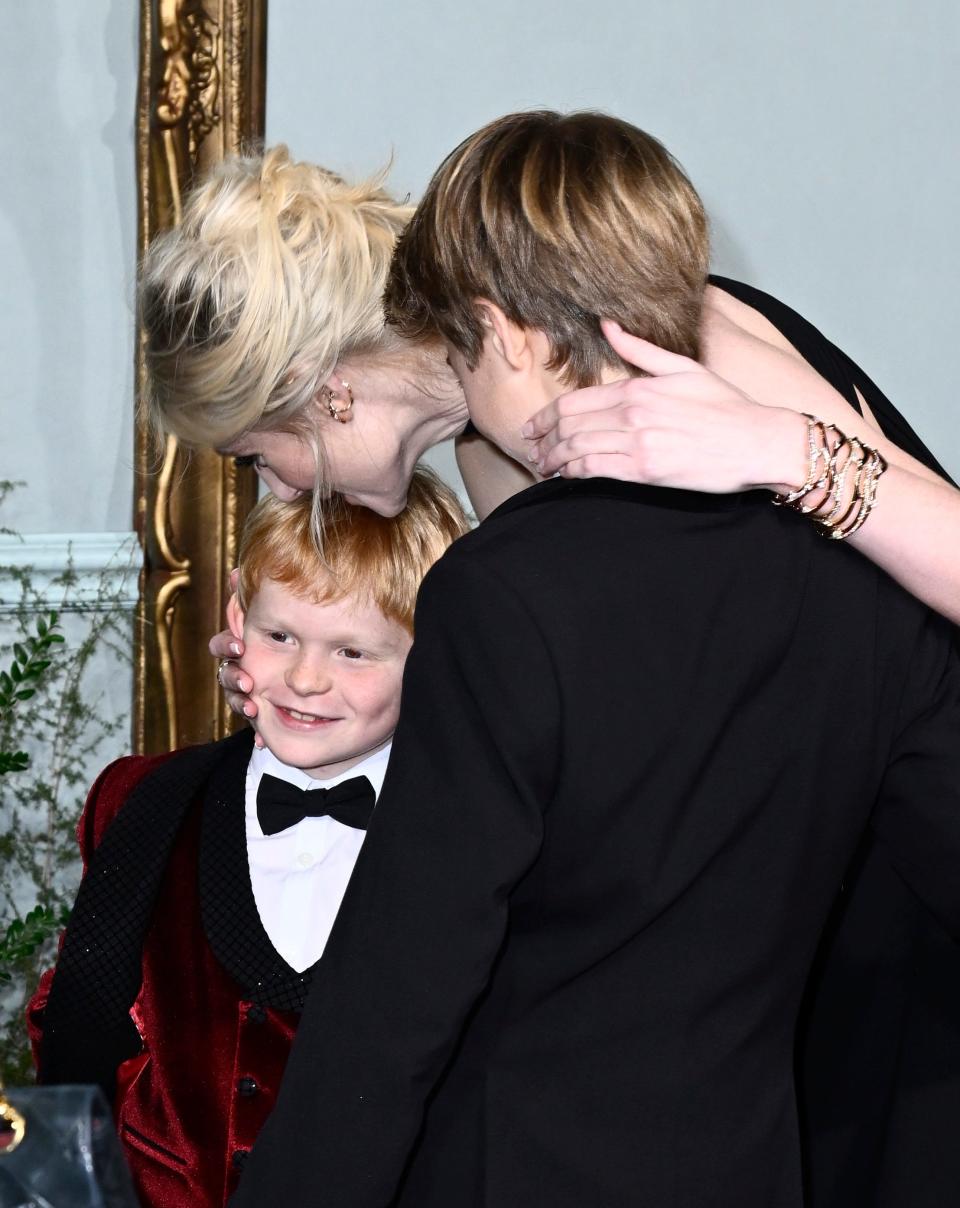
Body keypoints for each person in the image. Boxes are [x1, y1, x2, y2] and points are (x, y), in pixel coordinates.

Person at [140, 133, 960, 1206]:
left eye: (257, 458)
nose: (283, 498)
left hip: (881, 918)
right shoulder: (497, 450)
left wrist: (790, 450)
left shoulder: (677, 338)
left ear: (319, 390)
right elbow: (601, 738)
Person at [27, 469, 468, 1208]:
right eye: (280, 634)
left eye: (354, 652)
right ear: (236, 613)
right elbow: (75, 1055)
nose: (304, 677)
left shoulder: (469, 837)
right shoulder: (142, 804)